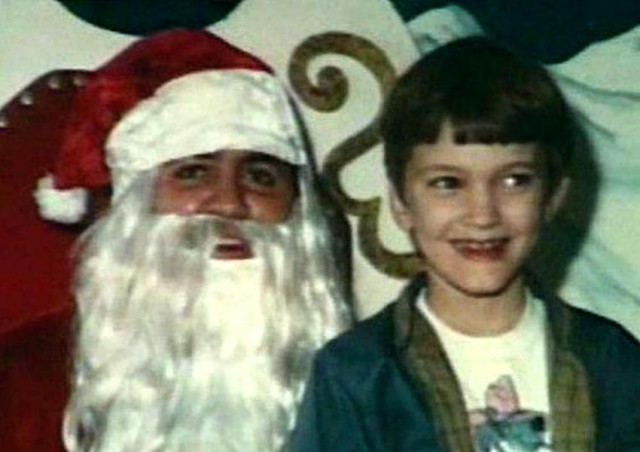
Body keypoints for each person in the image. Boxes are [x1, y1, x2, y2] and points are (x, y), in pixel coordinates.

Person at [290, 36, 640, 451]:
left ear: (553, 197)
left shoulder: (610, 359)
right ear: (401, 203)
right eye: (448, 183)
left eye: (515, 180)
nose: (482, 214)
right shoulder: (356, 374)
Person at [10, 29, 351, 451]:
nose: (229, 204)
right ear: (132, 205)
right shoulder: (24, 384)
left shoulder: (367, 380)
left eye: (261, 177)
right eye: (193, 173)